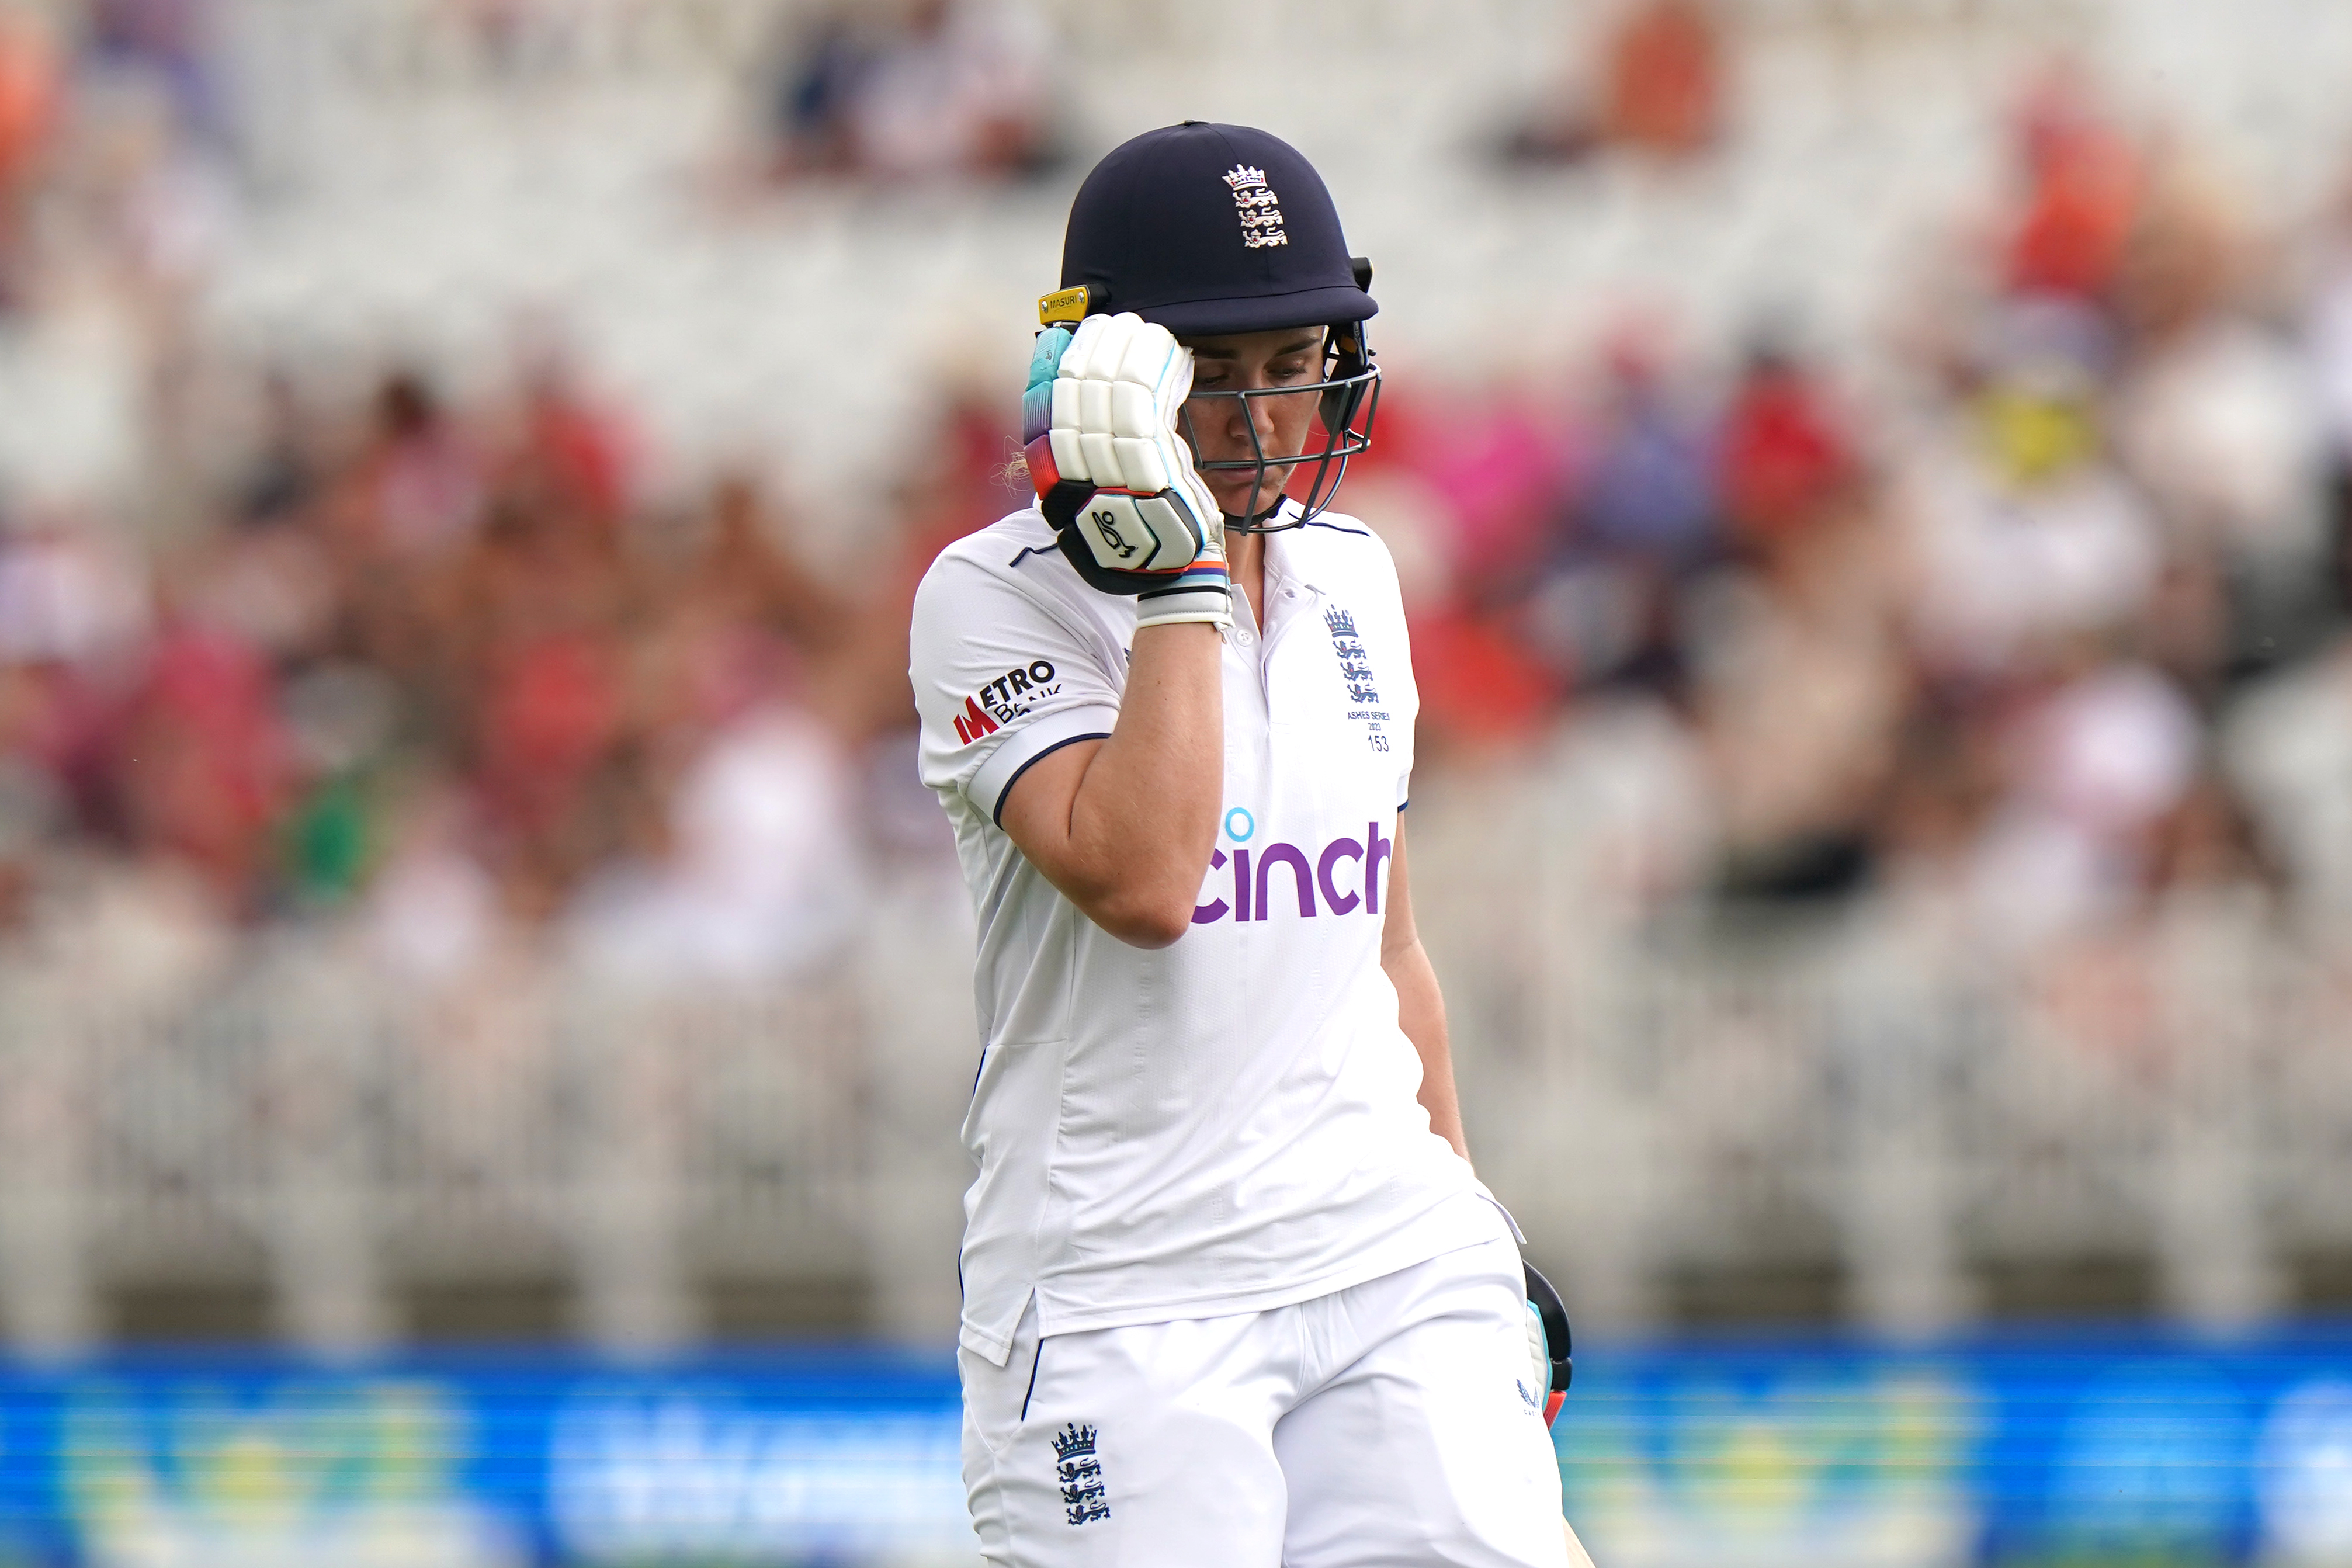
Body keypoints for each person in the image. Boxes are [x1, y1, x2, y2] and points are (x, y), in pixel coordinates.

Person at [909, 122, 1581, 1567]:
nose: (1264, 419)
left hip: (1383, 1250)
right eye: (1211, 377)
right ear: (1103, 379)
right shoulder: (988, 596)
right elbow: (1146, 882)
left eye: (1292, 366)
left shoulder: (1358, 573)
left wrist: (1468, 1221)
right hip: (1118, 1295)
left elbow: (1383, 940)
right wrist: (1180, 588)